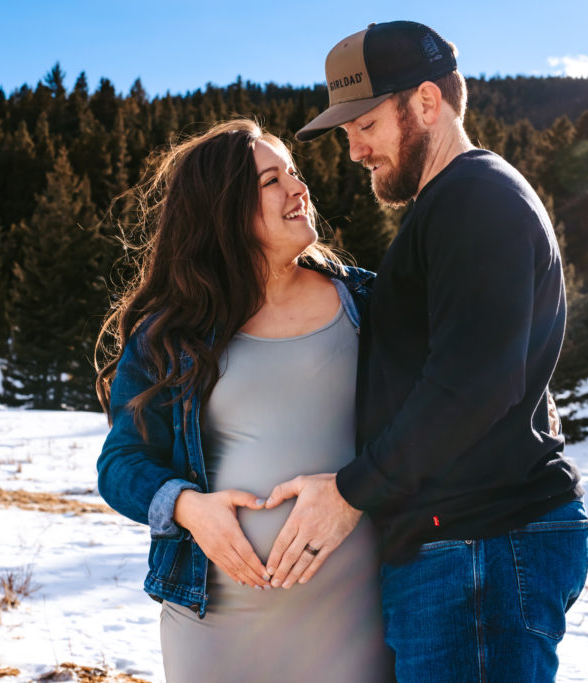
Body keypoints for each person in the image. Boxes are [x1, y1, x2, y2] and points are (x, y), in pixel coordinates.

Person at [261, 21, 588, 682]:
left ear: (425, 103)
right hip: (466, 549)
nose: (354, 151)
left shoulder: (475, 200)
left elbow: (472, 383)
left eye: (366, 125)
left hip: (481, 550)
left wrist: (351, 492)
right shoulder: (454, 206)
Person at [94, 119, 390, 682]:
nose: (299, 189)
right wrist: (188, 507)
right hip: (216, 623)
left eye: (296, 174)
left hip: (353, 617)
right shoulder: (173, 330)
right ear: (222, 210)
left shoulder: (367, 303)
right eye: (271, 181)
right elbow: (120, 463)